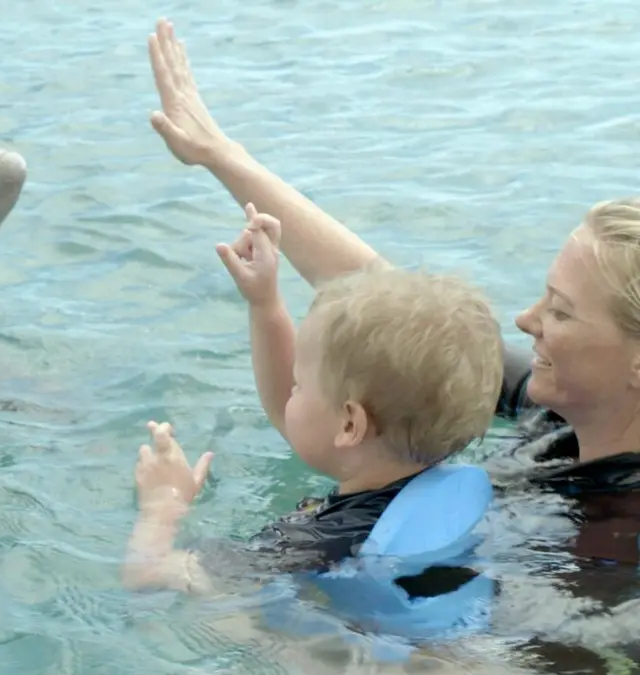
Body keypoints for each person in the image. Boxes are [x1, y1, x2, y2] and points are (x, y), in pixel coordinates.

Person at [142, 16, 640, 672]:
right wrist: (221, 156)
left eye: (562, 312)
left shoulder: (617, 542)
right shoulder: (565, 410)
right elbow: (395, 318)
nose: (524, 319)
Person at [122, 201, 504, 615]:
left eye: (300, 385)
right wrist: (264, 303)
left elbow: (148, 575)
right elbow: (290, 411)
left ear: (350, 424)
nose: (290, 392)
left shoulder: (317, 543)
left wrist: (164, 504)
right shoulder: (435, 482)